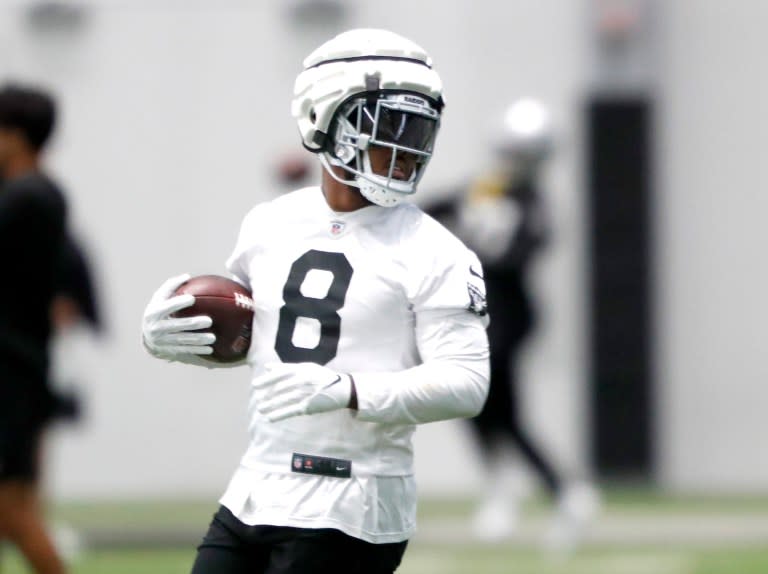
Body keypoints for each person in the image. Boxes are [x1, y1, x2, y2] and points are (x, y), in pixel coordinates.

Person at [141, 29, 490, 574]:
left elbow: (467, 383)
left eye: (420, 128)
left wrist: (350, 390)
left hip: (354, 497)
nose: (409, 147)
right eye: (390, 124)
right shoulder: (270, 222)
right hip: (257, 485)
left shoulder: (436, 249)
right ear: (322, 118)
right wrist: (175, 335)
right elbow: (262, 335)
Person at [424, 98, 597, 548]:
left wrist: (465, 247)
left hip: (507, 316)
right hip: (480, 315)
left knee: (497, 410)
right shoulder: (482, 189)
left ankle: (558, 493)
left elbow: (520, 252)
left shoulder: (532, 201)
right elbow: (427, 211)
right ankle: (519, 489)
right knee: (478, 407)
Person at [0, 83, 69, 574]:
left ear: (15, 137)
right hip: (19, 371)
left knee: (12, 510)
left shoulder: (28, 196)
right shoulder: (34, 193)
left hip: (11, 373)